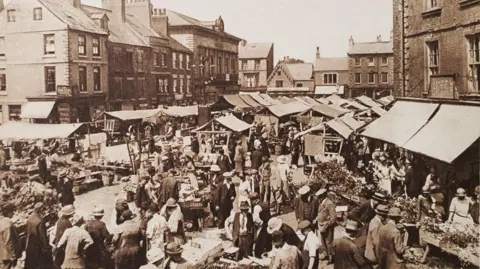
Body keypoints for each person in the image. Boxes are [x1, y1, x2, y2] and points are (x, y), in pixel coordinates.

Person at [25, 203, 52, 269]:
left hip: (30, 243)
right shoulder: (40, 221)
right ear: (41, 210)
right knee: (41, 263)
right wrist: (46, 247)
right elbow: (43, 236)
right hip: (38, 245)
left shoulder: (29, 218)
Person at [313, 188, 336, 262]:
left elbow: (333, 217)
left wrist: (327, 224)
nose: (318, 198)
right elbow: (319, 213)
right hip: (321, 225)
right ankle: (325, 254)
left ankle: (331, 257)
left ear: (323, 195)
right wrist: (316, 219)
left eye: (320, 196)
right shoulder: (321, 203)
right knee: (323, 241)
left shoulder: (329, 203)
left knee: (329, 242)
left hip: (327, 226)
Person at [0, 202, 21, 269]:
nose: (13, 213)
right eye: (12, 211)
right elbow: (8, 241)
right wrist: (13, 255)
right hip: (7, 256)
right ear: (9, 213)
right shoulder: (7, 225)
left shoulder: (1, 222)